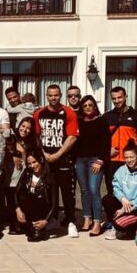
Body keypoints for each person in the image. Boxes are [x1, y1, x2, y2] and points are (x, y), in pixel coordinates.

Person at [32, 84, 80, 238]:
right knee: (47, 190)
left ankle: (71, 221)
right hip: (46, 158)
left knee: (67, 192)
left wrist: (59, 153)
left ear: (61, 95)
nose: (53, 98)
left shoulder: (68, 112)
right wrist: (44, 153)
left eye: (56, 95)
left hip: (63, 158)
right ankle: (52, 219)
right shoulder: (39, 113)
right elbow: (36, 136)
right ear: (46, 96)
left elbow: (72, 136)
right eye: (50, 95)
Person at [74, 95, 110, 236]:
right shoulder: (79, 122)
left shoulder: (101, 121)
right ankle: (87, 218)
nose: (88, 107)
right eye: (85, 105)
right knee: (84, 190)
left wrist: (100, 160)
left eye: (90, 105)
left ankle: (97, 222)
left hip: (95, 160)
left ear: (94, 106)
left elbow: (106, 142)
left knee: (94, 190)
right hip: (80, 160)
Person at [101, 144, 137, 240]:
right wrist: (122, 198)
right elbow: (116, 186)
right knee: (107, 199)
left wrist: (126, 208)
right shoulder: (121, 170)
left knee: (120, 224)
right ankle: (114, 225)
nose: (129, 160)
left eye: (131, 157)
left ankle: (127, 227)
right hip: (125, 203)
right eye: (126, 157)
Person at [103, 86, 137, 194]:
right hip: (112, 161)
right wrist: (107, 151)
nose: (117, 101)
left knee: (130, 191)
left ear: (125, 96)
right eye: (114, 98)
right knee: (112, 191)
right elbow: (101, 138)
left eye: (119, 97)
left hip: (130, 160)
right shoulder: (107, 116)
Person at [13, 154, 58, 242]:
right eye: (29, 163)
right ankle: (29, 226)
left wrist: (45, 221)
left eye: (34, 162)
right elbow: (16, 192)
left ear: (41, 160)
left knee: (37, 197)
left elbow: (54, 203)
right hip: (28, 208)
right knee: (23, 196)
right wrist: (17, 209)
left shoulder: (50, 176)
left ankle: (39, 228)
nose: (32, 166)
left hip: (42, 209)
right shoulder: (27, 172)